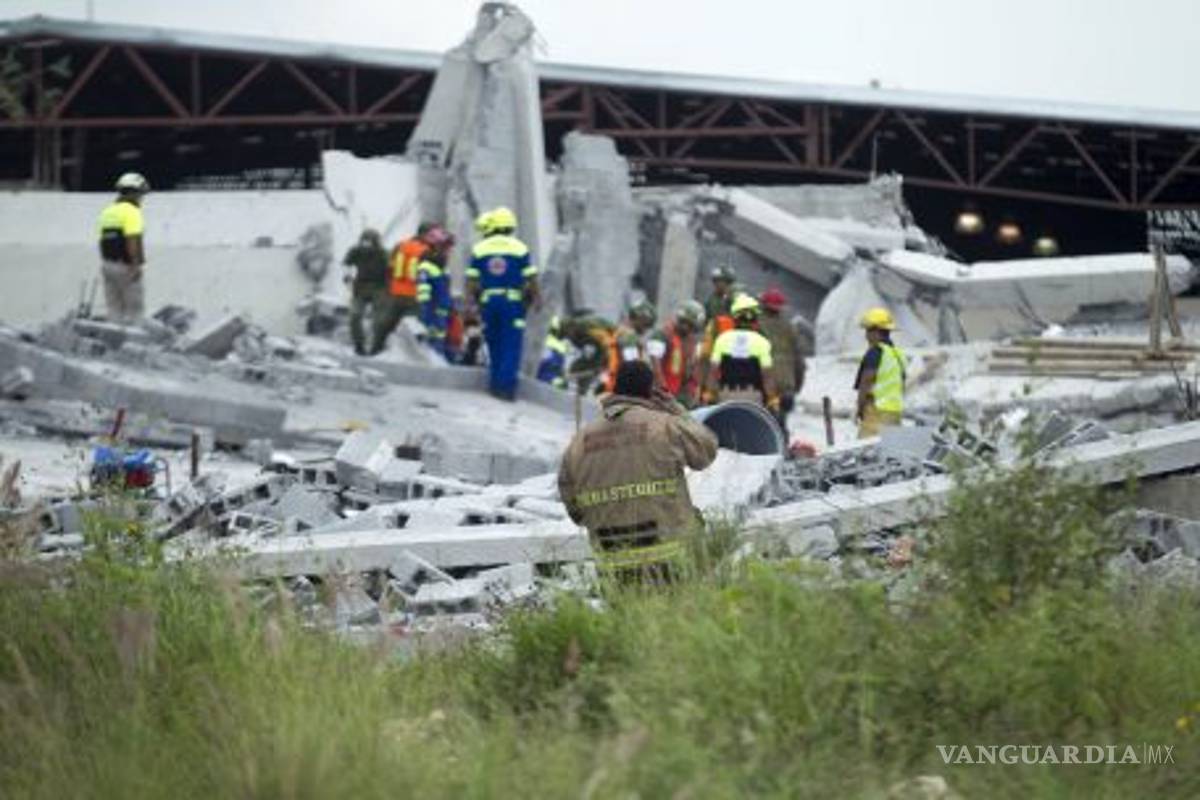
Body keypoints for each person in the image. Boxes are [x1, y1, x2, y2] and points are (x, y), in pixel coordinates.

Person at [558, 360, 718, 581]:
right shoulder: (666, 426)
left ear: (615, 389)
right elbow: (706, 451)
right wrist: (677, 410)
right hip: (671, 563)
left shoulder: (579, 442)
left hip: (613, 567)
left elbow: (576, 512)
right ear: (651, 391)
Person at [466, 206, 540, 400]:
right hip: (512, 302)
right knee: (511, 344)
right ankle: (505, 388)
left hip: (488, 302)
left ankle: (494, 384)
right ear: (510, 227)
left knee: (494, 342)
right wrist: (537, 300)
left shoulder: (480, 248)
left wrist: (471, 305)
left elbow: (472, 281)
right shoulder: (519, 247)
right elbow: (530, 278)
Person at [702, 294, 779, 414]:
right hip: (753, 399)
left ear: (734, 318)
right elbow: (767, 375)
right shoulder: (762, 342)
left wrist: (709, 394)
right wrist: (772, 398)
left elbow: (713, 371)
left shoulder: (722, 339)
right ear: (754, 319)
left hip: (725, 396)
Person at [96, 172, 150, 324]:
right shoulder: (132, 212)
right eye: (140, 194)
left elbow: (103, 240)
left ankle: (113, 342)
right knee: (135, 311)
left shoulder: (107, 212)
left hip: (107, 265)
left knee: (114, 309)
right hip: (126, 266)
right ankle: (136, 342)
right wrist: (135, 265)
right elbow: (132, 240)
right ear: (133, 193)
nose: (141, 198)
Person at [757, 288, 807, 439]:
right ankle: (782, 452)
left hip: (764, 385)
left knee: (762, 424)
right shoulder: (790, 328)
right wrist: (796, 386)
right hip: (786, 386)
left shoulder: (756, 326)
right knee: (781, 424)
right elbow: (800, 362)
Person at [854, 307, 907, 439]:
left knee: (866, 452)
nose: (866, 336)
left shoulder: (876, 352)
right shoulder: (898, 354)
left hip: (876, 412)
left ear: (876, 331)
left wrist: (860, 408)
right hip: (895, 413)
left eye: (868, 331)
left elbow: (865, 383)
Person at [646, 299, 705, 408]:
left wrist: (694, 392)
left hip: (681, 395)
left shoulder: (693, 342)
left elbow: (693, 370)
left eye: (692, 326)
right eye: (685, 323)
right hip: (659, 395)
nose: (687, 329)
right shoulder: (661, 335)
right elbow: (656, 367)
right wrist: (664, 391)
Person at [342, 229, 391, 356]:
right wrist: (347, 275)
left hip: (379, 288)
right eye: (364, 241)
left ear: (375, 242)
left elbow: (391, 271)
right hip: (361, 287)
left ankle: (378, 344)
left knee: (378, 318)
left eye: (368, 241)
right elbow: (346, 264)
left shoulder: (383, 254)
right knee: (355, 316)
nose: (365, 244)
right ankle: (359, 345)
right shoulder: (356, 251)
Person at [416, 224, 456, 358]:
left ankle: (438, 356)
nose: (450, 251)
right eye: (447, 248)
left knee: (440, 336)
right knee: (433, 338)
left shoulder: (442, 266)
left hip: (441, 310)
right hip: (432, 311)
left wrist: (449, 305)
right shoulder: (427, 265)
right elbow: (424, 291)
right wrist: (427, 309)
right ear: (439, 247)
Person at [560, 311, 618, 395]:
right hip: (603, 347)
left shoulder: (585, 327)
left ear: (570, 327)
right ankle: (579, 394)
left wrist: (599, 364)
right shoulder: (577, 334)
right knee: (578, 367)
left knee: (587, 368)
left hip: (613, 344)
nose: (568, 338)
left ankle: (581, 395)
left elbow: (605, 342)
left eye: (567, 335)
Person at [536, 315, 571, 388]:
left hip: (553, 360)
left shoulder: (560, 343)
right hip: (552, 362)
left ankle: (555, 381)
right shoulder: (561, 343)